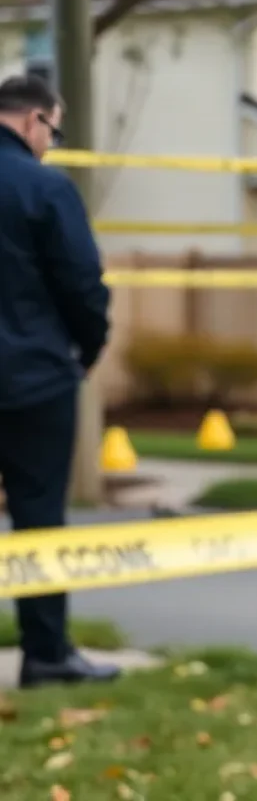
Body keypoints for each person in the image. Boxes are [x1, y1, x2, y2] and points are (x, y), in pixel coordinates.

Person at [0, 74, 120, 688]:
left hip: (32, 372)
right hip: (32, 379)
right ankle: (45, 654)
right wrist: (87, 351)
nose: (52, 142)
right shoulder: (46, 188)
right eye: (54, 128)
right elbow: (82, 285)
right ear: (32, 122)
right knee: (38, 514)